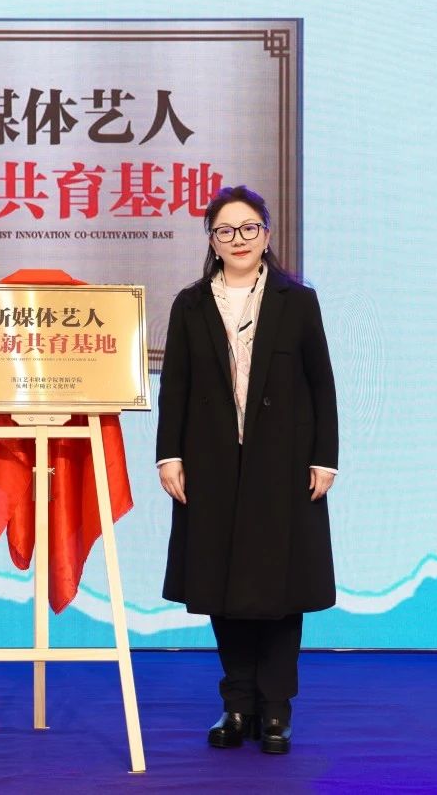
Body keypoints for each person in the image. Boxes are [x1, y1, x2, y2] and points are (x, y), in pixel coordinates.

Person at [155, 185, 338, 755]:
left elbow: (322, 383)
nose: (238, 239)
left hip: (284, 464)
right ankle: (237, 704)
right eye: (225, 230)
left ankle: (277, 708)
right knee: (222, 585)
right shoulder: (190, 304)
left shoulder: (296, 301)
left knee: (282, 588)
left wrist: (324, 457)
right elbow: (175, 385)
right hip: (211, 464)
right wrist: (170, 455)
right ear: (212, 240)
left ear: (266, 234)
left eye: (249, 228)